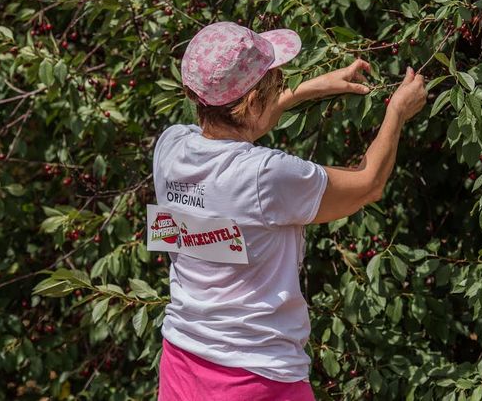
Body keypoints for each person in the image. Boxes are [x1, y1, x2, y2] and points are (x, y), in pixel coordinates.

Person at [152, 21, 427, 400]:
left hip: (183, 360)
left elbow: (233, 129)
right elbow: (369, 183)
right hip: (257, 378)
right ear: (252, 101)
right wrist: (396, 111)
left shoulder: (170, 147)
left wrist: (308, 90)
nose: (280, 87)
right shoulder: (267, 176)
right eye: (274, 83)